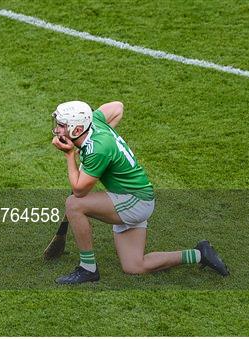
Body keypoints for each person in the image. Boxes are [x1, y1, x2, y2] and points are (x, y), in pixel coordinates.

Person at [51, 100, 229, 284]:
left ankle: (87, 269)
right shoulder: (94, 121)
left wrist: (70, 155)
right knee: (135, 266)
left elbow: (79, 190)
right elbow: (117, 107)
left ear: (77, 129)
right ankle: (200, 254)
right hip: (137, 197)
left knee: (74, 204)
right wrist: (102, 140)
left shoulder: (99, 149)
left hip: (134, 202)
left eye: (62, 126)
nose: (57, 130)